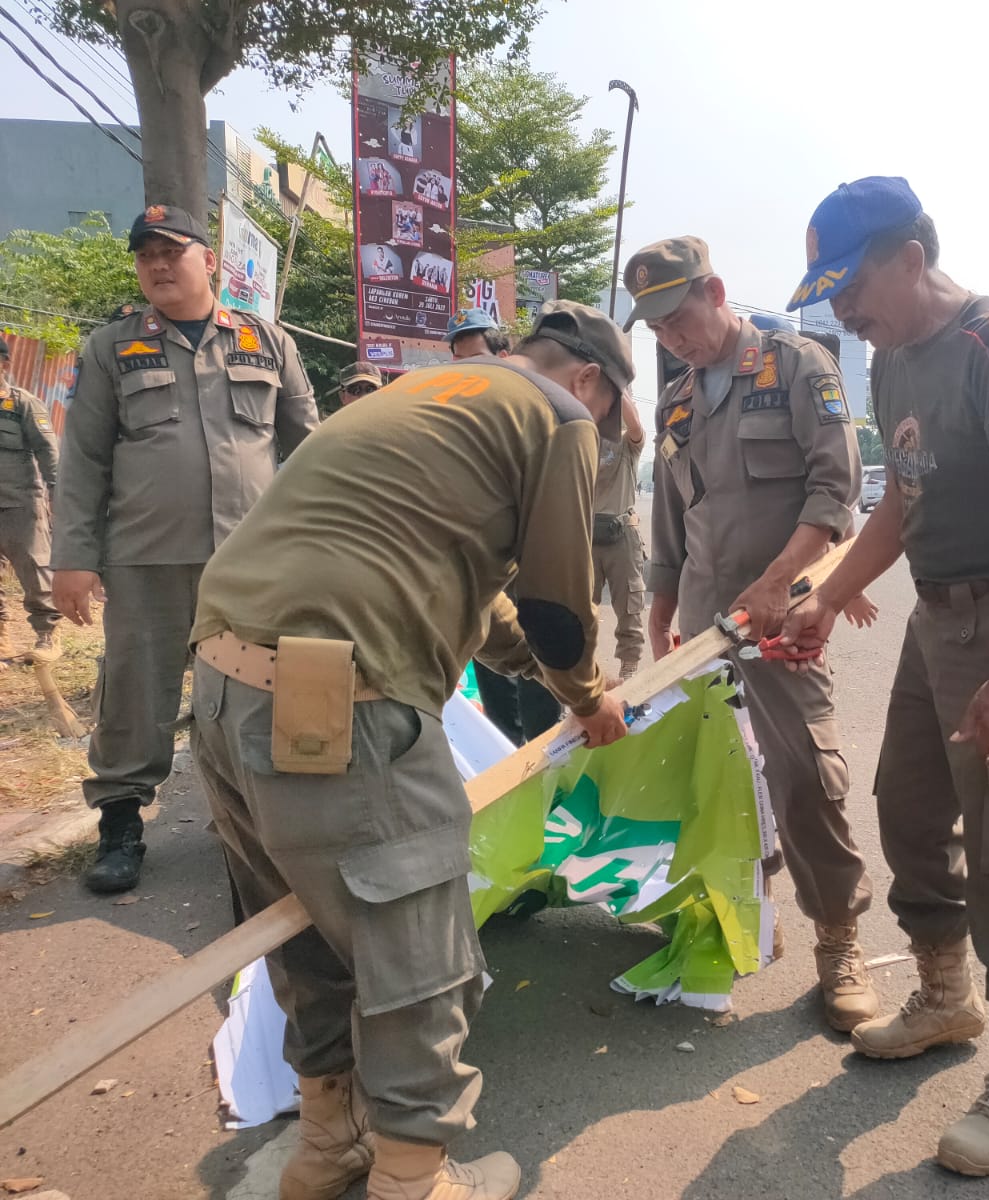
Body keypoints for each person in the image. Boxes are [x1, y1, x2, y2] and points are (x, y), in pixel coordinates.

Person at [188, 300, 631, 1200]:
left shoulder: (427, 392)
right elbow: (557, 606)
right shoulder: (561, 416)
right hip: (337, 702)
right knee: (417, 956)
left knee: (303, 931)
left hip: (222, 679)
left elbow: (491, 606)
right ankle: (412, 1179)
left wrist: (546, 676)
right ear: (592, 380)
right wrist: (590, 696)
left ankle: (327, 1144)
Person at [780, 177, 989, 1176]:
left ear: (909, 257)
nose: (843, 310)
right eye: (827, 291)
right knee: (907, 809)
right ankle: (945, 997)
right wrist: (827, 591)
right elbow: (897, 509)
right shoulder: (892, 364)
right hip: (935, 616)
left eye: (852, 282)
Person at [625, 235, 877, 1034]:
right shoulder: (677, 400)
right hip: (702, 626)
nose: (672, 336)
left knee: (804, 776)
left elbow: (838, 491)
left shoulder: (798, 367)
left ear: (716, 291)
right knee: (702, 780)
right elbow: (673, 518)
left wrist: (779, 583)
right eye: (657, 328)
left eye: (679, 316)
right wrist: (660, 606)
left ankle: (839, 942)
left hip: (780, 617)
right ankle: (706, 924)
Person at [52, 204, 318, 895]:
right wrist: (72, 558)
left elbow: (313, 450)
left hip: (251, 559)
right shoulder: (111, 349)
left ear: (209, 259)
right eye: (145, 256)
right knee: (136, 691)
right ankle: (120, 824)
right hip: (147, 556)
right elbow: (82, 463)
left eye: (172, 251)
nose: (158, 266)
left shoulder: (268, 342)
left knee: (258, 690)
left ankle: (258, 821)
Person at [447, 306, 564, 742]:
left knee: (541, 682)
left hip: (531, 571)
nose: (470, 371)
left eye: (479, 357)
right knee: (495, 688)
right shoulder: (450, 417)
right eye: (460, 362)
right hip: (482, 572)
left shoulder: (533, 410)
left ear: (504, 353)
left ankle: (544, 768)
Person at [0, 338, 62, 660]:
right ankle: (2, 637)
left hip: (21, 503)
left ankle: (47, 635)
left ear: (5, 365)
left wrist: (56, 493)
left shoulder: (22, 403)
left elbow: (48, 450)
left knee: (35, 569)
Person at [590, 387, 647, 681]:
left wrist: (613, 383)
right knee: (579, 610)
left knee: (629, 606)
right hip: (584, 537)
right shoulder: (582, 442)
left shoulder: (628, 444)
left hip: (621, 534)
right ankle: (581, 671)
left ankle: (630, 667)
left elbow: (635, 423)